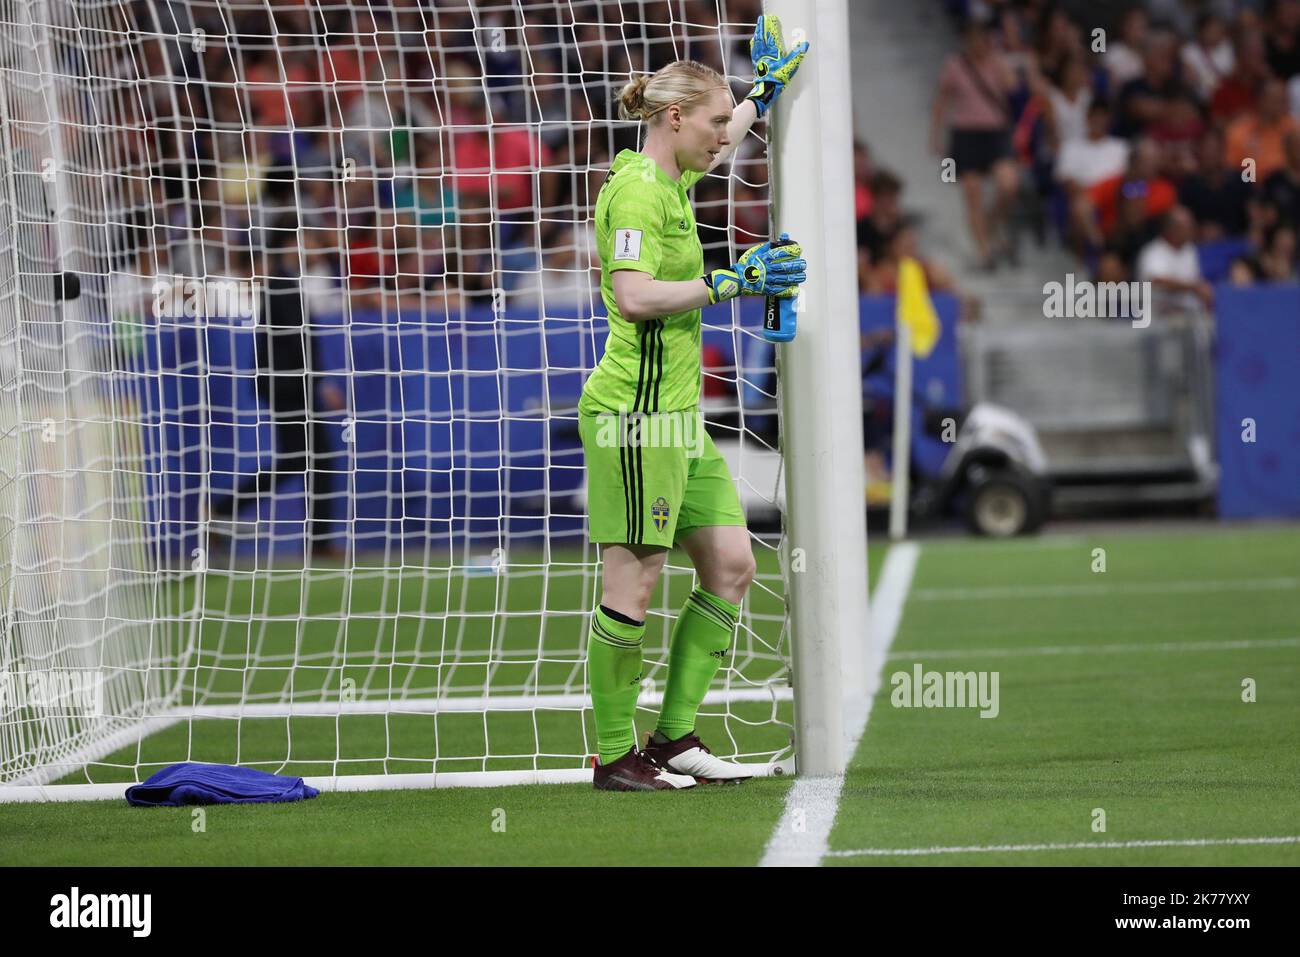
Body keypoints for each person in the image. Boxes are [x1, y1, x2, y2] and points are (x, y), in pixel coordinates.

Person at [579, 16, 808, 791]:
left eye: (726, 123)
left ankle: (674, 738)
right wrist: (729, 282)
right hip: (636, 415)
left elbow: (728, 121)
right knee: (633, 581)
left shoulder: (672, 175)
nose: (724, 138)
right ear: (674, 119)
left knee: (733, 563)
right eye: (714, 124)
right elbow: (636, 297)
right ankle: (616, 756)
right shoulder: (637, 193)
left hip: (678, 418)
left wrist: (762, 95)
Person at [207, 223, 347, 561]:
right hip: (290, 388)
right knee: (312, 460)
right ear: (290, 243)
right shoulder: (282, 286)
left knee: (305, 460)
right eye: (307, 239)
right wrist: (320, 382)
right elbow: (293, 344)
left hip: (289, 386)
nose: (313, 246)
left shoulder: (285, 283)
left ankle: (225, 511)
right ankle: (224, 511)